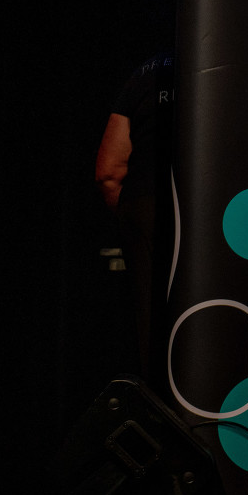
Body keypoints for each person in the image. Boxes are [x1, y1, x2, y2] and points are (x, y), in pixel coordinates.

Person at [94, 49, 176, 386]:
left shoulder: (146, 73)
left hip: (145, 204)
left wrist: (139, 221)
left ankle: (161, 405)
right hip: (221, 208)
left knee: (152, 327)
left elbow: (109, 173)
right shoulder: (238, 60)